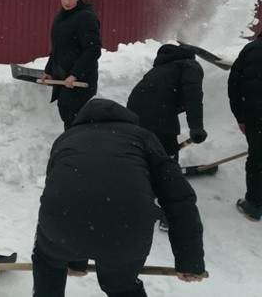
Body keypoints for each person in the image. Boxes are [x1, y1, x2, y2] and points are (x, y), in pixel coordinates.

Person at [32, 98, 206, 297]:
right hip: (127, 228)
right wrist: (189, 261)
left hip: (60, 227)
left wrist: (73, 257)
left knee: (48, 264)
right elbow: (178, 199)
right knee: (121, 285)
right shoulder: (143, 137)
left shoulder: (67, 138)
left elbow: (64, 192)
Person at [127, 43, 207, 161]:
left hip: (134, 112)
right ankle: (167, 173)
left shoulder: (160, 68)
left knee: (144, 150)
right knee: (167, 155)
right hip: (159, 114)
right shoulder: (190, 65)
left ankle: (143, 171)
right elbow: (192, 96)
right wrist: (196, 127)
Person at [43, 0, 101, 130]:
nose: (67, 2)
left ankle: (79, 145)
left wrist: (75, 74)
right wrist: (49, 70)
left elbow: (93, 50)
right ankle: (73, 145)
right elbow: (57, 48)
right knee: (66, 113)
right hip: (64, 77)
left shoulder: (86, 17)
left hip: (82, 78)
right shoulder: (60, 17)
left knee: (72, 112)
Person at [227, 32, 262, 221]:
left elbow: (234, 85)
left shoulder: (251, 49)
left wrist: (240, 117)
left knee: (257, 160)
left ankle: (254, 205)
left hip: (256, 117)